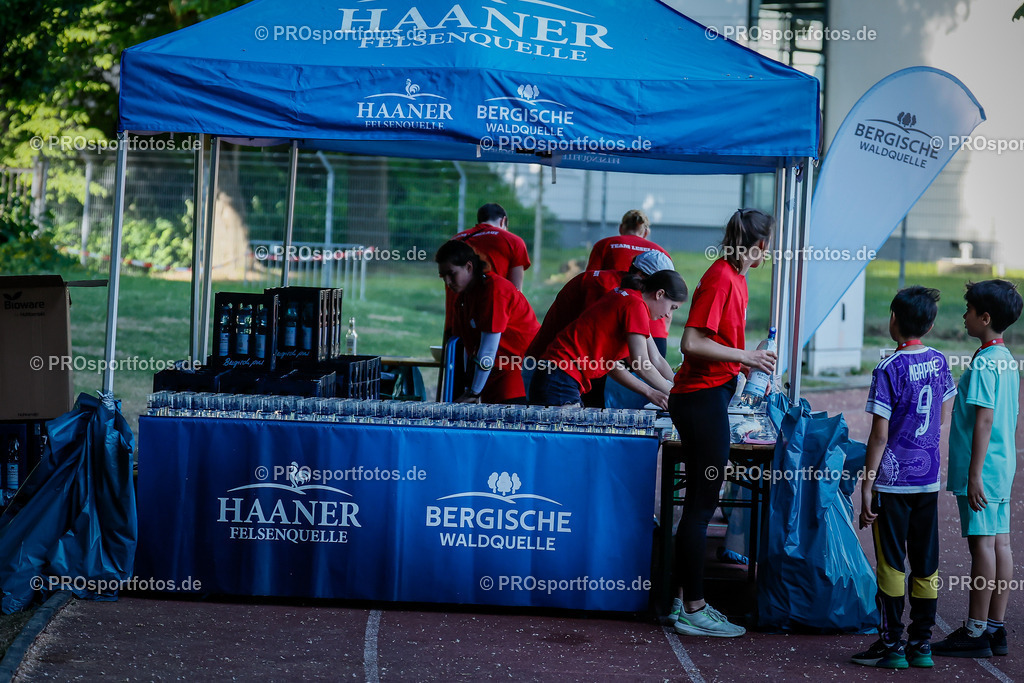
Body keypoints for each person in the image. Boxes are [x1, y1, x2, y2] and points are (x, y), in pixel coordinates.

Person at [668, 208, 775, 638]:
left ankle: (683, 600)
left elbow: (716, 344)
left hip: (706, 396)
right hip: (699, 400)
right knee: (700, 507)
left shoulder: (734, 276)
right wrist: (745, 357)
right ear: (761, 245)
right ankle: (693, 608)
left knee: (697, 506)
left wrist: (743, 364)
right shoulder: (721, 277)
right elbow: (691, 342)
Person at [851, 286, 956, 669]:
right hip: (928, 479)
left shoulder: (888, 368)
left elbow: (879, 435)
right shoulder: (941, 360)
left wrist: (866, 485)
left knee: (891, 563)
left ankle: (892, 645)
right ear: (929, 325)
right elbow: (941, 416)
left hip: (893, 483)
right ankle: (922, 644)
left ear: (893, 320)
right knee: (926, 561)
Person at [932, 280, 1023, 659]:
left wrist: (973, 474)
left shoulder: (985, 364)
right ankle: (995, 628)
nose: (964, 316)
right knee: (1001, 544)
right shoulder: (1007, 360)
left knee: (982, 546)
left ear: (985, 318)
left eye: (968, 310)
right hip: (1002, 466)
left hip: (982, 470)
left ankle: (975, 631)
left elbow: (983, 421)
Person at [528, 269, 685, 409]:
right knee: (567, 440)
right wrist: (678, 396)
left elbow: (654, 359)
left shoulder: (630, 299)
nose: (668, 315)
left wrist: (681, 388)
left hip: (556, 374)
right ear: (659, 294)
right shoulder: (635, 306)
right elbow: (642, 365)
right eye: (672, 307)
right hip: (560, 378)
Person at [436, 240, 539, 404]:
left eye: (452, 274)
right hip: (493, 371)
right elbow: (469, 348)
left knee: (504, 426)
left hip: (516, 372)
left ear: (469, 267)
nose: (447, 282)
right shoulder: (464, 298)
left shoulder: (495, 290)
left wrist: (474, 392)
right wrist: (470, 387)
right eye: (443, 277)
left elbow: (488, 349)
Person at [586, 209, 671, 274]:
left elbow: (590, 277)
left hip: (611, 296)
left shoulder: (604, 245)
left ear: (621, 228)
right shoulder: (660, 253)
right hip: (643, 297)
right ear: (646, 232)